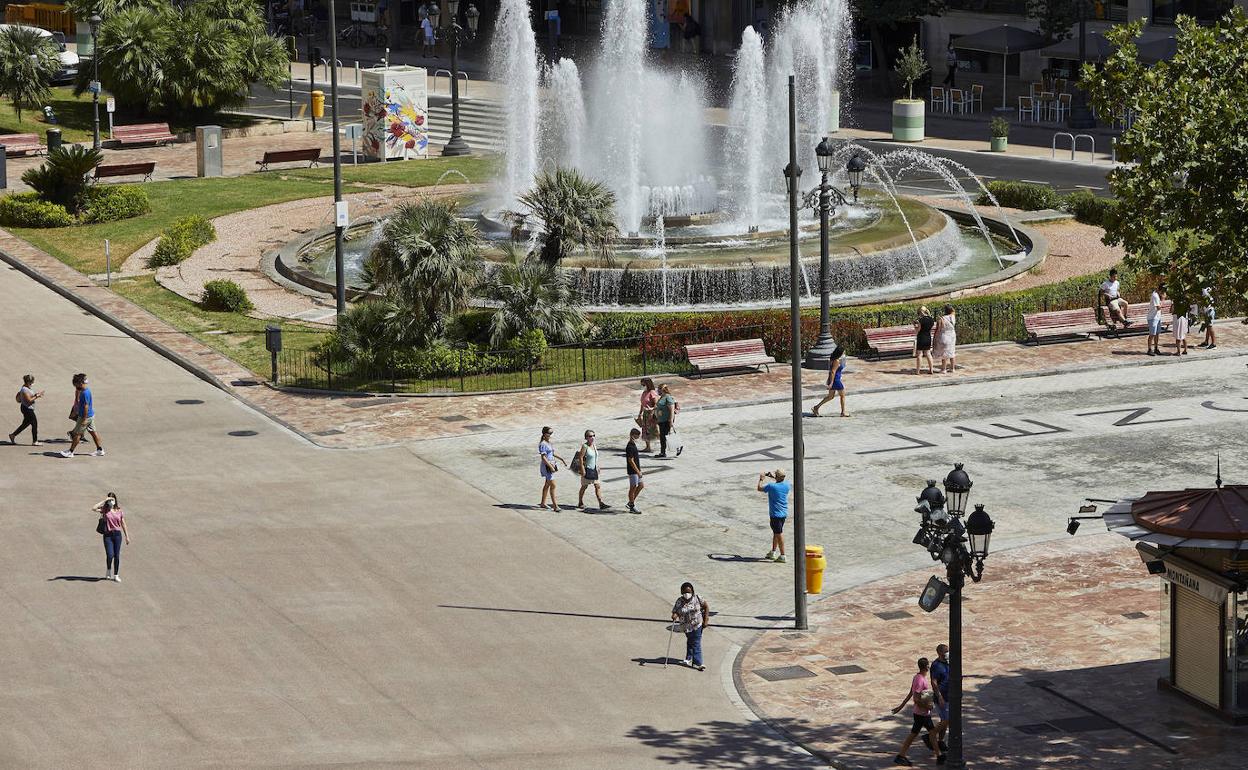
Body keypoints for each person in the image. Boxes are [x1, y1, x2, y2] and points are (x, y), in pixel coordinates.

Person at [891, 656, 944, 766]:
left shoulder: (917, 677)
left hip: (922, 713)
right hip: (921, 713)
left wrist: (900, 707)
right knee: (926, 733)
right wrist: (927, 707)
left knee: (926, 733)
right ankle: (901, 756)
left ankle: (939, 756)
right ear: (927, 667)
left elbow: (911, 693)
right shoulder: (920, 680)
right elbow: (916, 698)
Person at [61, 373, 103, 458]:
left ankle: (70, 452)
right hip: (90, 416)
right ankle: (100, 450)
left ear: (80, 383)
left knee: (77, 434)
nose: (75, 386)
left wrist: (83, 419)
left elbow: (86, 407)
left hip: (85, 417)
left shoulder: (84, 393)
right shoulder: (86, 391)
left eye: (75, 384)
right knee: (93, 433)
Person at [671, 581, 708, 670]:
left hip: (697, 625)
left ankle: (698, 663)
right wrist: (674, 615)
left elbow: (706, 607)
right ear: (681, 592)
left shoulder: (698, 598)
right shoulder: (679, 601)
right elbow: (675, 611)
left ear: (692, 592)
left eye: (688, 592)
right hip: (686, 627)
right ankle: (688, 657)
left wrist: (706, 620)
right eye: (684, 592)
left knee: (696, 643)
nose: (686, 594)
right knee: (691, 640)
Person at [93, 492, 130, 582]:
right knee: (110, 555)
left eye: (112, 499)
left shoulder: (119, 510)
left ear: (115, 500)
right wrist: (104, 501)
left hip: (117, 535)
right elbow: (93, 508)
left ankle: (116, 575)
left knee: (116, 555)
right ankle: (108, 570)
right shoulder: (105, 510)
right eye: (110, 499)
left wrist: (127, 536)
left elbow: (123, 523)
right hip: (108, 535)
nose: (111, 501)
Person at [757, 469, 791, 563]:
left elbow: (759, 488)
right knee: (776, 533)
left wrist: (761, 479)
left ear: (777, 477)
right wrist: (774, 477)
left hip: (775, 515)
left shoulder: (771, 486)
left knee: (779, 534)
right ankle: (773, 552)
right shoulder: (787, 485)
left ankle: (783, 555)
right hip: (783, 514)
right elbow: (779, 483)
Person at [575, 429, 609, 510]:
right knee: (584, 486)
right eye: (590, 436)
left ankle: (601, 503)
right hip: (587, 469)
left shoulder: (594, 446)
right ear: (586, 438)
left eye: (593, 435)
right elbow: (580, 457)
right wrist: (582, 469)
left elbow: (595, 457)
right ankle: (580, 502)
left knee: (597, 486)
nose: (592, 437)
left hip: (594, 469)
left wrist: (597, 466)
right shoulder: (585, 446)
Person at [811, 347, 848, 417]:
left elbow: (832, 371)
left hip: (834, 380)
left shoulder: (833, 359)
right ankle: (843, 412)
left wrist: (829, 381)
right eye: (843, 352)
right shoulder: (836, 361)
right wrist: (831, 383)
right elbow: (833, 372)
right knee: (842, 395)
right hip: (836, 380)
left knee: (830, 397)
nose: (844, 353)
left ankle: (816, 407)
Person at [538, 426, 566, 512]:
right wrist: (550, 467)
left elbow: (552, 454)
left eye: (551, 433)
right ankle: (555, 506)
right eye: (549, 433)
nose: (550, 435)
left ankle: (543, 503)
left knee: (547, 484)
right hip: (547, 466)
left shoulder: (548, 443)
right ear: (544, 433)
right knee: (553, 485)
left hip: (551, 465)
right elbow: (543, 457)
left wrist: (561, 459)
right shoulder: (542, 444)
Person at [9, 374, 43, 446]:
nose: (33, 383)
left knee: (25, 424)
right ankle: (35, 441)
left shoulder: (27, 387)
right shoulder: (24, 389)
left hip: (27, 408)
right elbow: (29, 400)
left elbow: (29, 396)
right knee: (34, 423)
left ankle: (13, 435)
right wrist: (37, 396)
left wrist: (36, 394)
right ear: (28, 382)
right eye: (32, 382)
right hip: (27, 409)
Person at [930, 645, 951, 755]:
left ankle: (941, 741)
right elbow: (934, 682)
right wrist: (940, 697)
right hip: (942, 698)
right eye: (945, 652)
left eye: (948, 651)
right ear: (939, 653)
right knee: (947, 719)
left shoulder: (949, 662)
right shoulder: (936, 665)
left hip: (950, 695)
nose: (947, 653)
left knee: (945, 720)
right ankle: (932, 734)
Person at [654, 383, 681, 459]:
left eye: (658, 389)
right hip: (661, 420)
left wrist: (671, 421)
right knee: (663, 436)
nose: (657, 391)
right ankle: (663, 452)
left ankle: (677, 447)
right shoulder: (662, 397)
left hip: (666, 420)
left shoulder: (668, 397)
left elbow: (672, 410)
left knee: (666, 436)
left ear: (662, 389)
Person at [933, 304, 957, 373]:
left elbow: (939, 328)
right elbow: (953, 311)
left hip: (944, 335)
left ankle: (944, 369)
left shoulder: (942, 318)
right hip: (952, 335)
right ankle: (952, 368)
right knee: (952, 351)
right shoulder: (953, 317)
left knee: (944, 353)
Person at [626, 427, 644, 513]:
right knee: (633, 488)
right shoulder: (630, 446)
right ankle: (632, 506)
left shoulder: (633, 444)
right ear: (633, 435)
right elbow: (630, 460)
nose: (638, 438)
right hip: (633, 471)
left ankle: (630, 502)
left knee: (641, 485)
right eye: (637, 436)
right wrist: (637, 471)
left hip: (637, 470)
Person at [638, 377, 659, 452]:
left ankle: (665, 443)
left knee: (655, 430)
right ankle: (648, 447)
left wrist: (652, 412)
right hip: (645, 414)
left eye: (643, 383)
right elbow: (642, 404)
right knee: (645, 430)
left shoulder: (652, 392)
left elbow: (656, 404)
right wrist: (640, 414)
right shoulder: (644, 393)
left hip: (651, 414)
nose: (642, 385)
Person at [914, 306, 935, 375]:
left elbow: (918, 330)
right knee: (928, 354)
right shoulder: (931, 319)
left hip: (921, 337)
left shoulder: (921, 320)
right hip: (928, 337)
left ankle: (918, 371)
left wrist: (915, 326)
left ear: (920, 312)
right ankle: (931, 369)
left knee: (919, 354)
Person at [1146, 282, 1166, 356]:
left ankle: (1156, 348)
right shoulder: (1155, 295)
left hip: (1157, 317)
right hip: (1152, 318)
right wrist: (1163, 300)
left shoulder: (1157, 295)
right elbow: (1158, 308)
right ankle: (1149, 349)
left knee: (1157, 334)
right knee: (1152, 334)